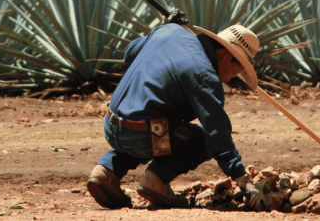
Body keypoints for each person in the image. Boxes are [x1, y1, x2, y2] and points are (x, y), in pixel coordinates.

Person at [86, 17, 259, 209]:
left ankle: (106, 171)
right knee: (201, 141)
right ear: (227, 55)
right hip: (141, 136)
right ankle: (156, 180)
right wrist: (241, 177)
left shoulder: (168, 31)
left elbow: (130, 53)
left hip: (111, 126)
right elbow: (217, 132)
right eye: (237, 69)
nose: (231, 77)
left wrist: (162, 26)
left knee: (153, 119)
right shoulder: (204, 75)